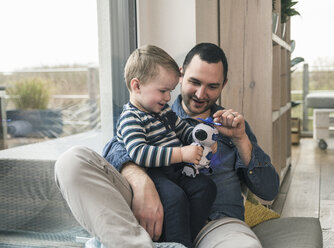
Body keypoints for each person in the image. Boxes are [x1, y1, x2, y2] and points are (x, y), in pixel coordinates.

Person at [54, 43, 279, 248]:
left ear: (224, 85)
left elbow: (269, 191)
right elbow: (117, 147)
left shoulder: (232, 127)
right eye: (194, 82)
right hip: (148, 216)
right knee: (71, 161)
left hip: (215, 224)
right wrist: (140, 180)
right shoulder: (152, 111)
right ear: (181, 75)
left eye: (212, 86)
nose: (201, 94)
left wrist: (241, 140)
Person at [115, 44, 217, 247]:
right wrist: (181, 153)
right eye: (163, 91)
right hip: (155, 173)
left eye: (170, 91)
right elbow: (140, 154)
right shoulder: (130, 118)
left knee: (206, 187)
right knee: (175, 199)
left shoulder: (164, 112)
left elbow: (184, 131)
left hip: (176, 170)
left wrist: (202, 139)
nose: (168, 97)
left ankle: (188, 237)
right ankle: (176, 243)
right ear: (137, 86)